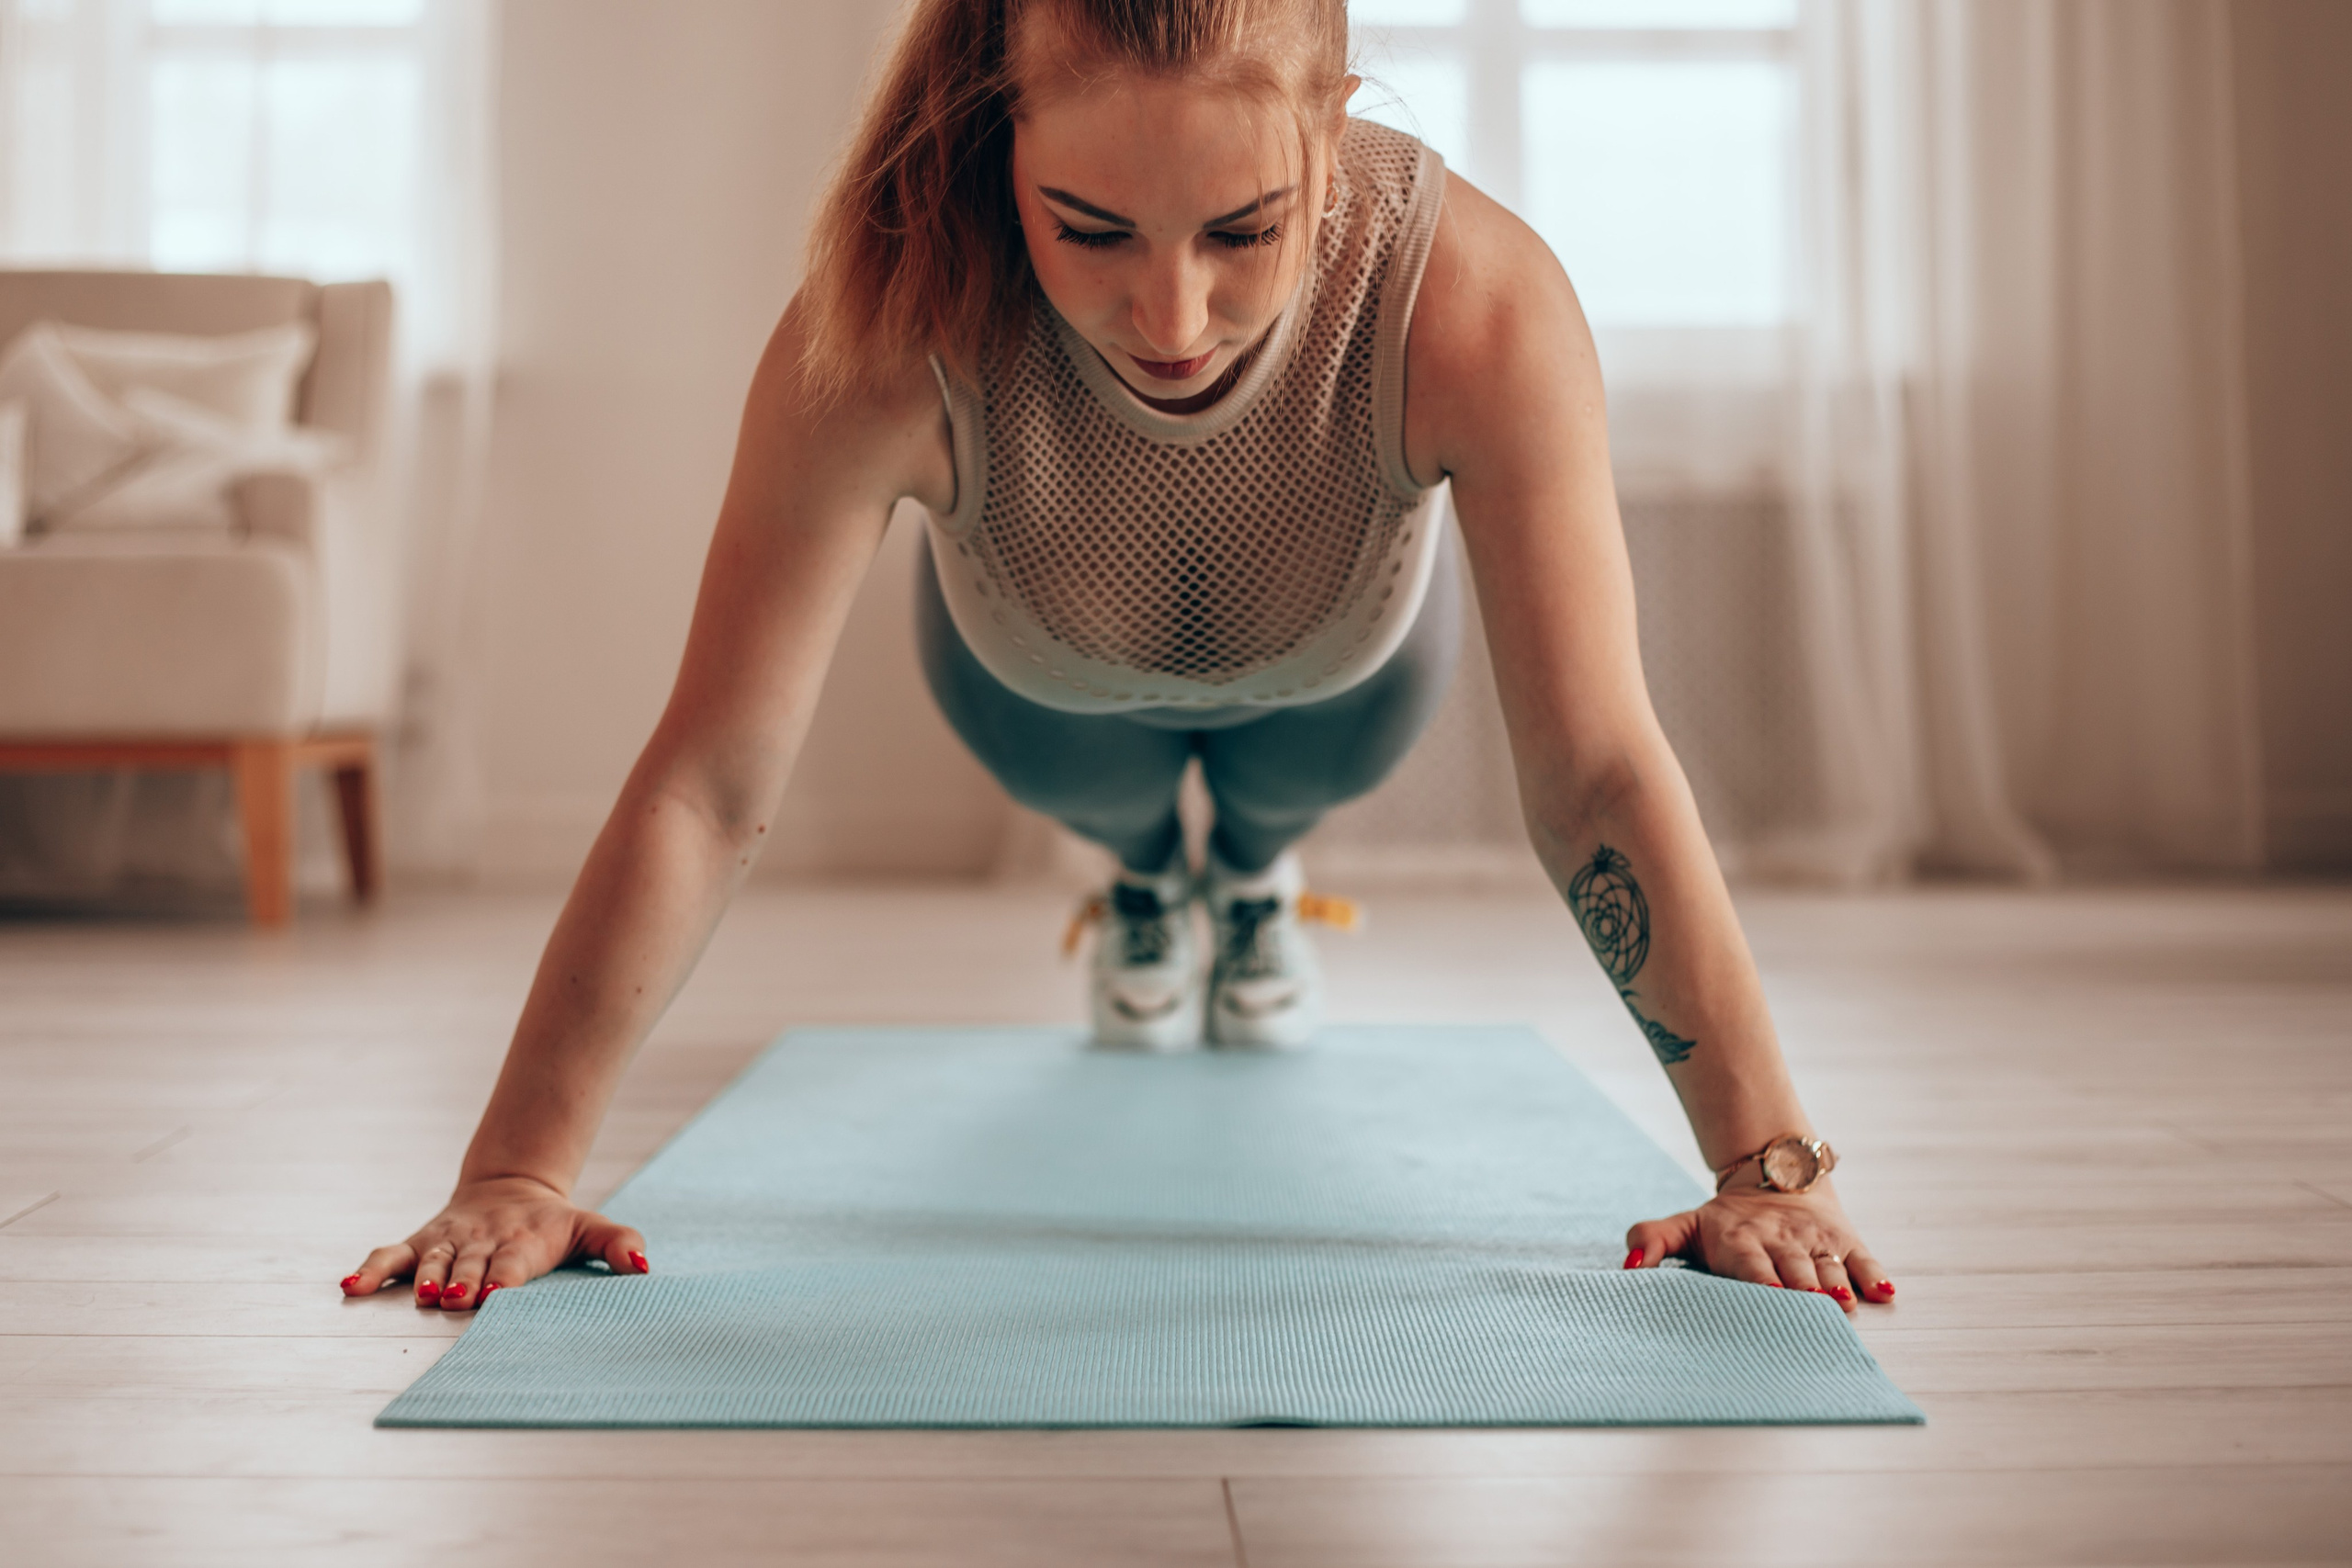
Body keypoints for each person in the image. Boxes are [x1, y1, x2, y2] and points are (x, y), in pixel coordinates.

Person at [342, 0, 1891, 1317]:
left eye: (1246, 230)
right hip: (1039, 688)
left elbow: (1600, 767)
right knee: (1122, 788)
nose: (1173, 316)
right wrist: (519, 1169)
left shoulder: (1476, 301)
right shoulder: (883, 320)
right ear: (998, 129)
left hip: (1340, 683)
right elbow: (709, 778)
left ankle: (1251, 880)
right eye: (1088, 229)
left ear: (1334, 124)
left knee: (1286, 771)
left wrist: (1767, 1166)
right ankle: (1151, 881)